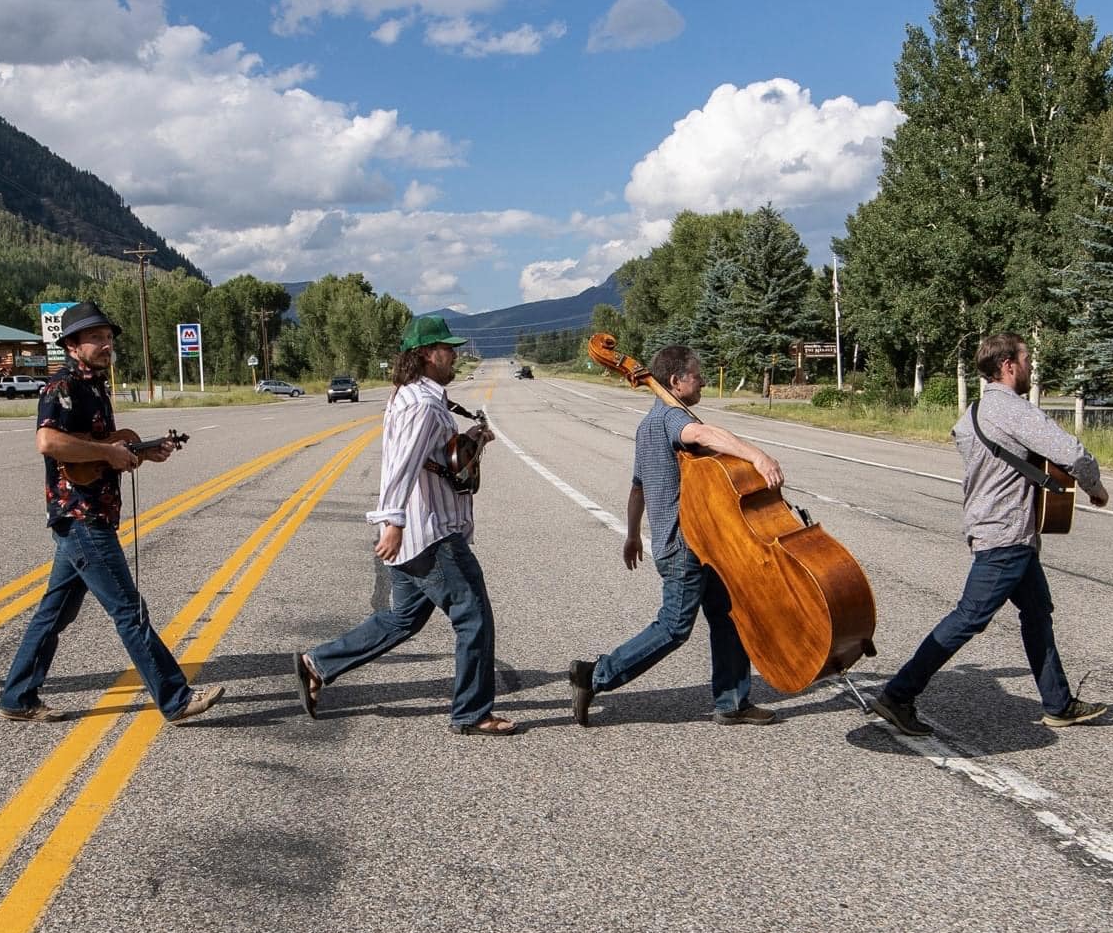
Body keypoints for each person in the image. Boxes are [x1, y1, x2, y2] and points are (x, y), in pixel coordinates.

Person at [869, 332, 1110, 738]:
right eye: (1027, 358)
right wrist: (1095, 486)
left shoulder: (976, 412)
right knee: (969, 617)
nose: (1031, 366)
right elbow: (1071, 452)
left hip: (1003, 528)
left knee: (1037, 613)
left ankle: (1058, 703)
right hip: (1006, 534)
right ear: (1008, 366)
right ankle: (898, 694)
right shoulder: (1012, 410)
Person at [0, 301, 223, 724]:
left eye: (108, 338)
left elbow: (106, 452)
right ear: (72, 345)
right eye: (96, 338)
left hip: (91, 513)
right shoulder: (61, 386)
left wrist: (144, 453)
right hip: (79, 514)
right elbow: (49, 442)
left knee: (55, 611)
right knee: (129, 610)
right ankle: (176, 699)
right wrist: (107, 452)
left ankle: (18, 695)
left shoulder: (97, 385)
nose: (106, 344)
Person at [293, 314, 516, 736]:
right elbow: (402, 464)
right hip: (428, 532)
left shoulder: (410, 395)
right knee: (474, 617)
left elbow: (433, 456)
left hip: (416, 531)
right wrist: (391, 520)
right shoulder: (423, 404)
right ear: (429, 355)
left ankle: (318, 664)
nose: (454, 356)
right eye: (448, 349)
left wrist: (471, 439)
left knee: (401, 620)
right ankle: (472, 712)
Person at [566, 345, 786, 728]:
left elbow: (638, 489)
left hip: (702, 544)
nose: (701, 380)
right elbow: (701, 432)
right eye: (696, 375)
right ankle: (595, 675)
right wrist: (757, 456)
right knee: (673, 627)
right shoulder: (670, 419)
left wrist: (633, 535)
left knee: (729, 615)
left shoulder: (646, 425)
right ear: (675, 381)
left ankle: (733, 701)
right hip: (684, 547)